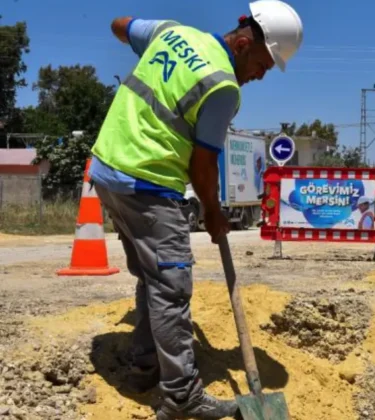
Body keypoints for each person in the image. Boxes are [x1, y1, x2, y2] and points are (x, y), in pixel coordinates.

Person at [86, 2, 303, 419]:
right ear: (242, 43)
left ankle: (145, 365)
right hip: (148, 183)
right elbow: (202, 166)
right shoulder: (222, 86)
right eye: (262, 64)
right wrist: (213, 213)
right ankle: (182, 395)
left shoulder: (171, 32)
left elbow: (119, 25)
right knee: (171, 288)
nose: (260, 75)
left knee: (153, 279)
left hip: (107, 172)